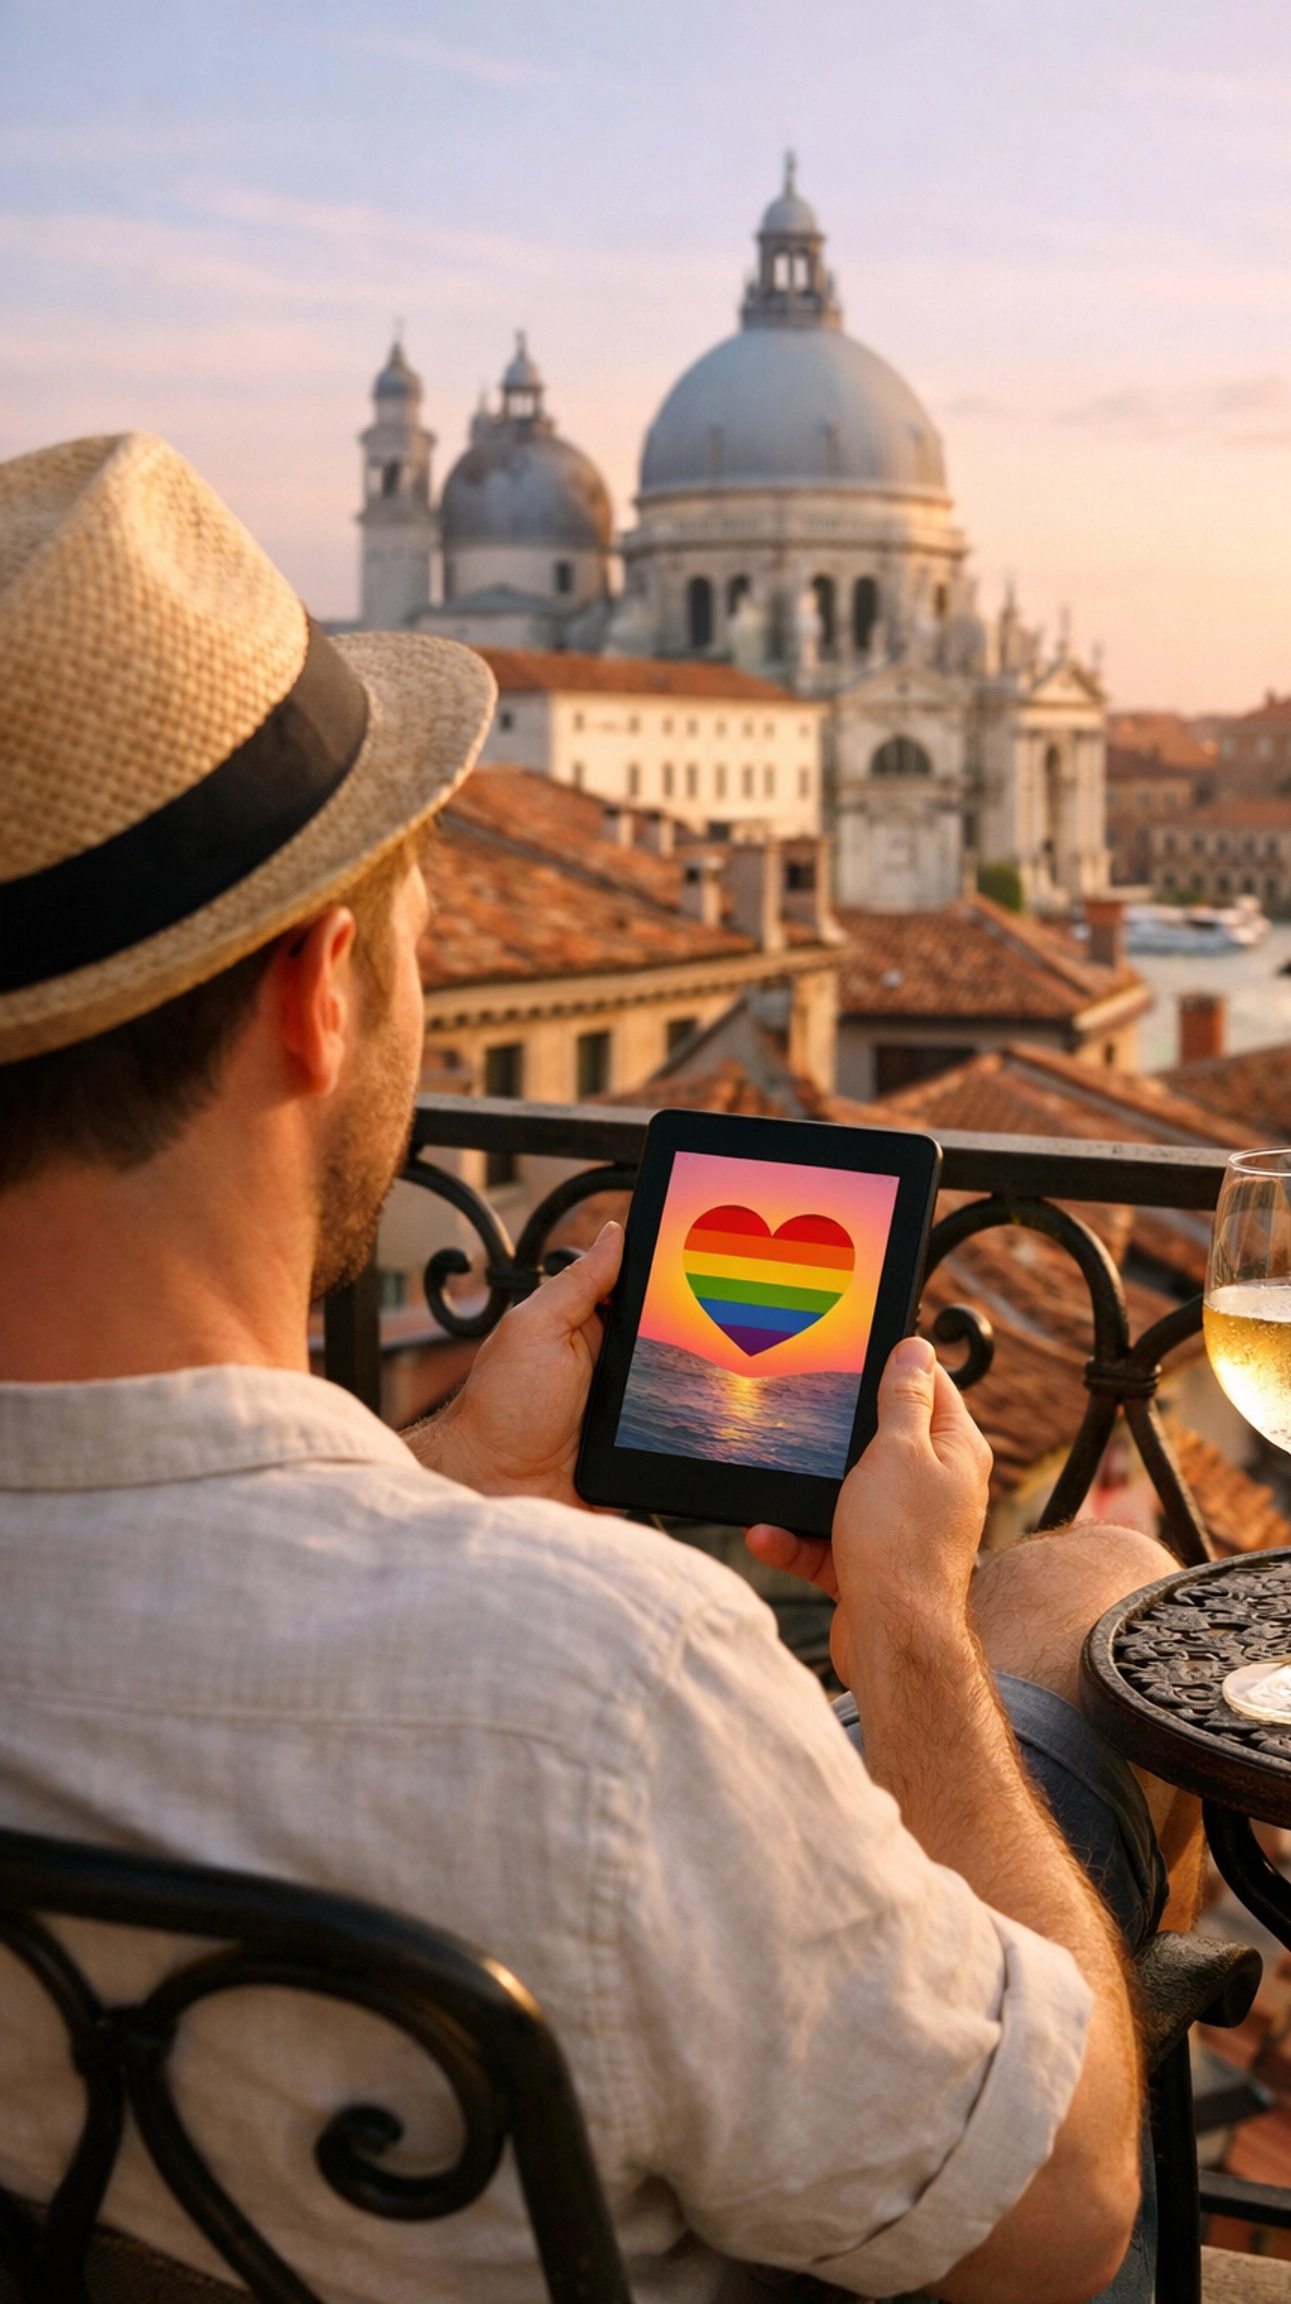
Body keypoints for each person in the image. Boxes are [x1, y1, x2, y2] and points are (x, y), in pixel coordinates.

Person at [0, 435, 1192, 2304]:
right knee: (1083, 1603)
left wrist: (443, 1476)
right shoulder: (606, 1682)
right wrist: (905, 1625)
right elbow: (1061, 2209)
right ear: (317, 994)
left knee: (1083, 1580)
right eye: (409, 931)